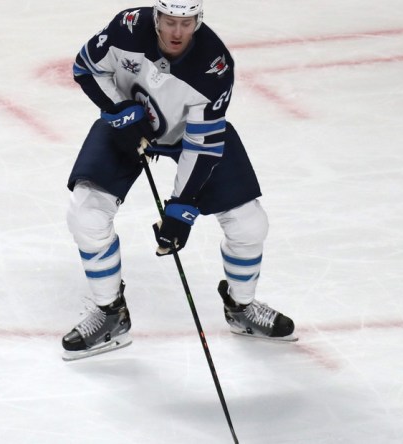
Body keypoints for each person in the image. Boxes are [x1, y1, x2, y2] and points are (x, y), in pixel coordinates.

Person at [62, 0, 296, 361]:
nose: (176, 32)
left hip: (191, 137)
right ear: (156, 17)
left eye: (186, 23)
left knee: (249, 224)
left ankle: (241, 308)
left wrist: (179, 209)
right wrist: (117, 110)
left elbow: (202, 147)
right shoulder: (127, 27)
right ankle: (111, 314)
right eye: (169, 21)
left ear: (198, 21)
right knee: (86, 213)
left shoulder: (214, 66)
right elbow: (86, 68)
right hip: (127, 129)